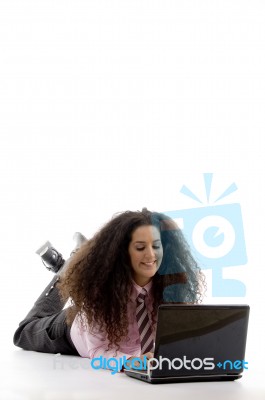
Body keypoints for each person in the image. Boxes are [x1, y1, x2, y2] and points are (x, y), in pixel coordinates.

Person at [13, 208, 206, 370]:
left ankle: (77, 262)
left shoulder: (172, 287)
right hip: (75, 328)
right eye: (140, 247)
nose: (150, 255)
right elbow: (97, 351)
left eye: (156, 246)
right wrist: (129, 362)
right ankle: (69, 266)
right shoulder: (100, 294)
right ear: (124, 253)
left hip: (109, 332)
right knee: (23, 332)